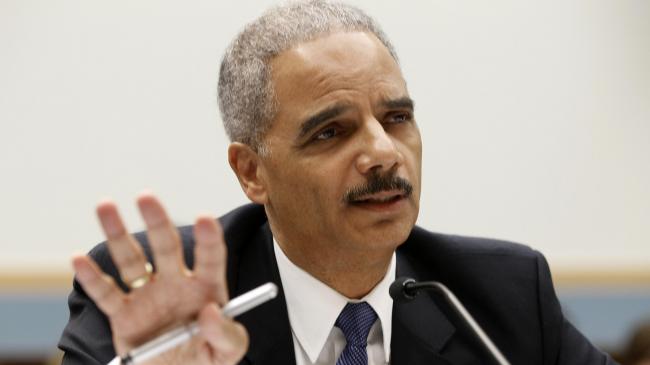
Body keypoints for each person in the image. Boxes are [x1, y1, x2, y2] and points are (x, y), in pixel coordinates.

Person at [58, 1, 618, 364]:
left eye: (397, 118)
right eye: (331, 132)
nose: (381, 152)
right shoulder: (160, 298)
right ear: (252, 171)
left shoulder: (501, 296)